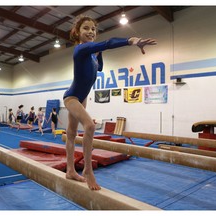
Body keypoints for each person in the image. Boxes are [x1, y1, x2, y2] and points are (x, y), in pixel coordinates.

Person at [63, 15, 157, 190]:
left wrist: (98, 54)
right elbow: (107, 43)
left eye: (93, 29)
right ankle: (87, 171)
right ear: (77, 32)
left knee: (71, 133)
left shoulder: (91, 55)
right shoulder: (81, 49)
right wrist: (131, 40)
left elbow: (98, 67)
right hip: (72, 97)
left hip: (82, 97)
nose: (90, 32)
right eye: (86, 28)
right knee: (90, 126)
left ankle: (70, 170)